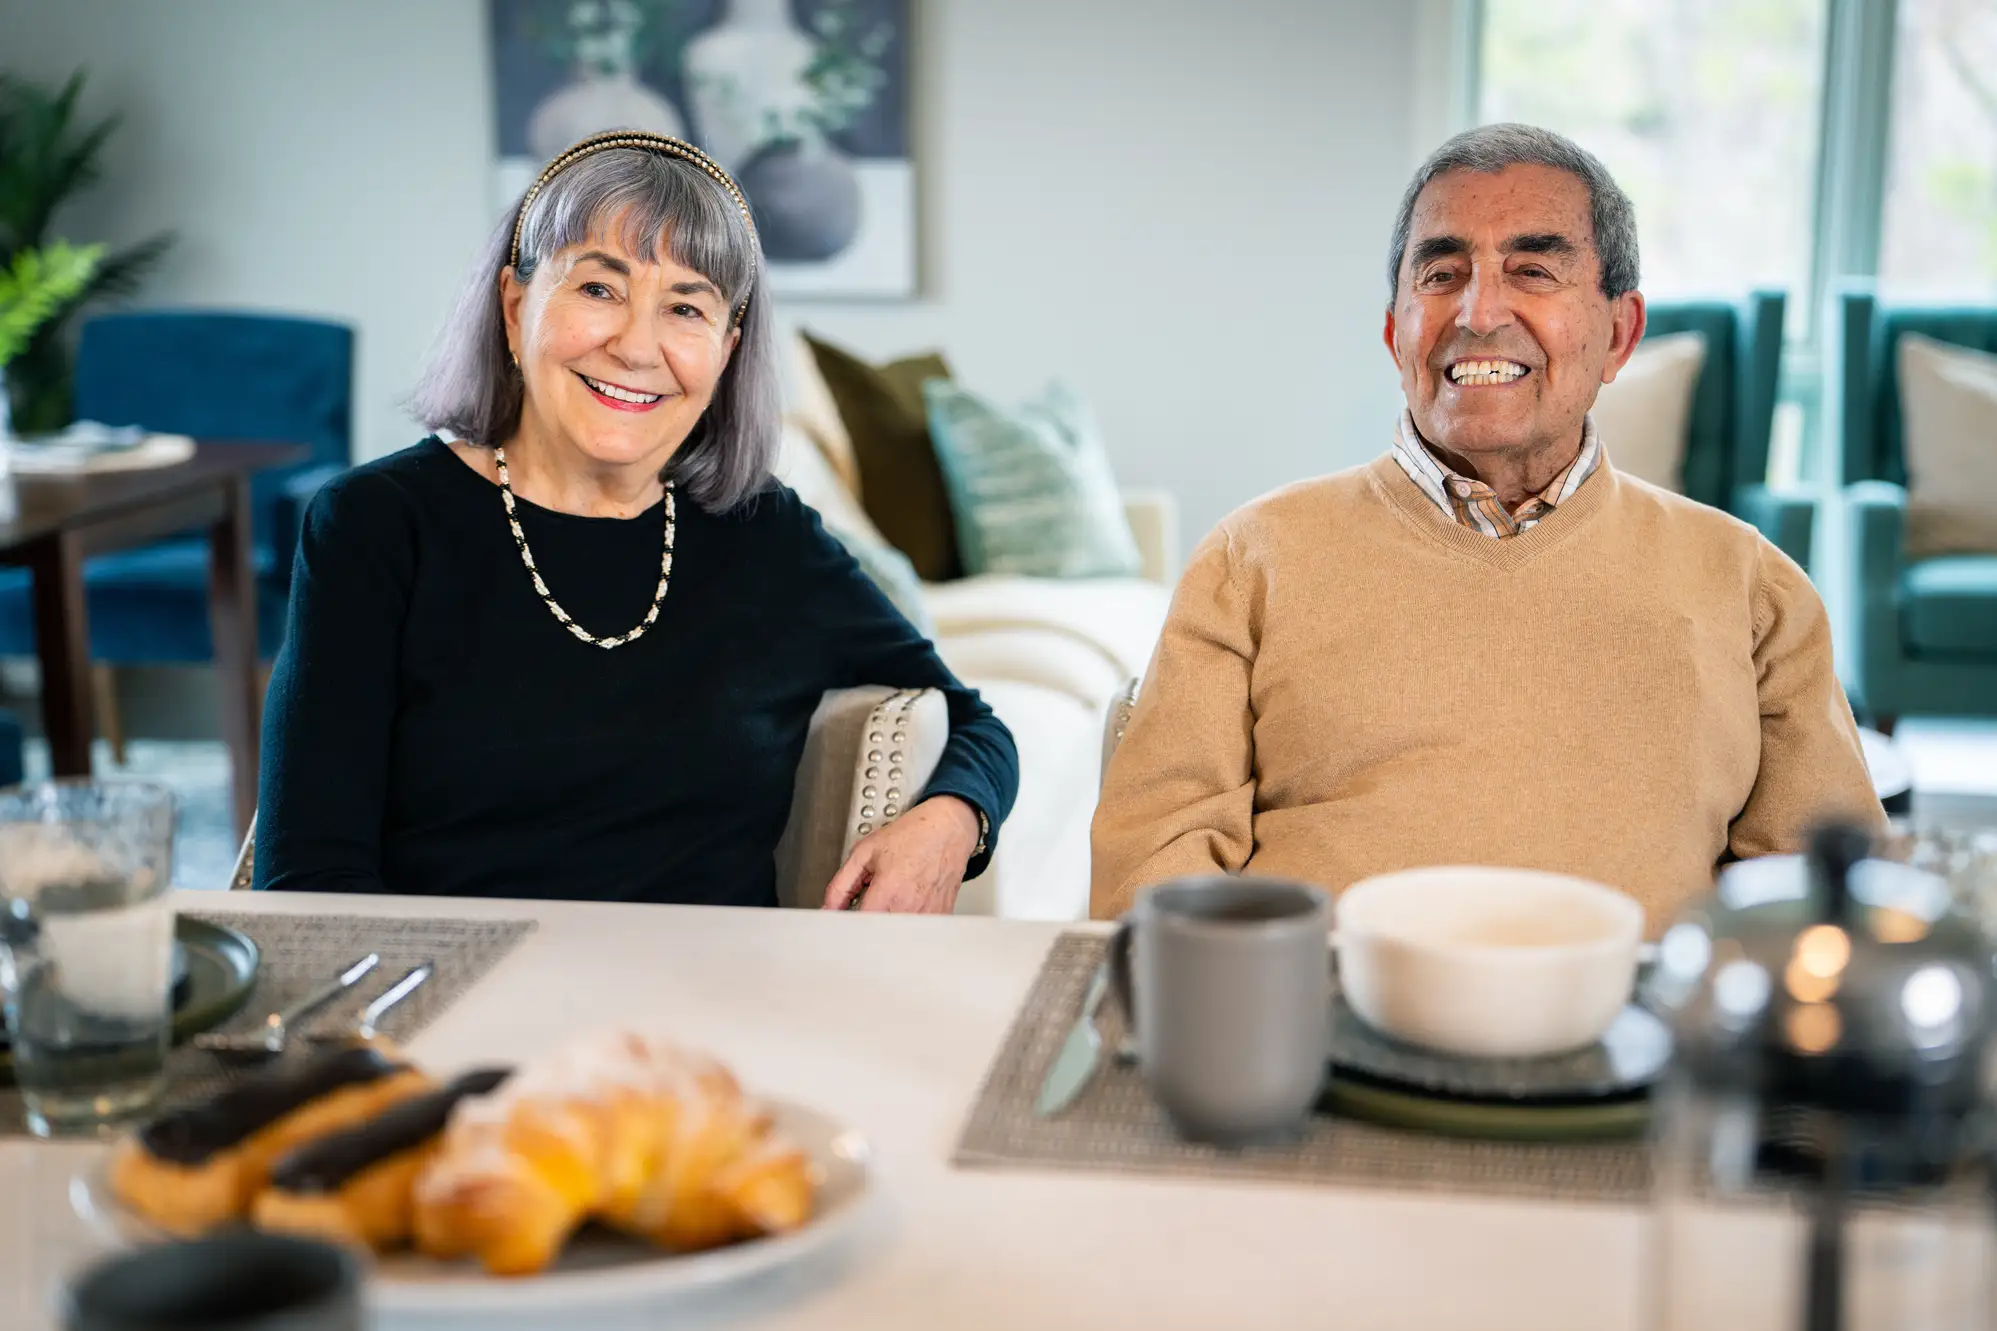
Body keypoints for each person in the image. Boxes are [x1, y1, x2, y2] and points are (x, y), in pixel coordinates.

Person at [1091, 123, 1882, 935]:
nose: (1477, 312)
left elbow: (1819, 908)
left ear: (1619, 334)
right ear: (1396, 331)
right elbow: (1154, 875)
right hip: (1320, 1039)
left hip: (1632, 1045)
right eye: (1440, 273)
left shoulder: (1752, 587)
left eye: (1532, 270)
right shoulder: (1249, 559)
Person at [256, 131, 1017, 910]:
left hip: (706, 1012)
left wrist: (951, 820)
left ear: (725, 352)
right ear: (516, 310)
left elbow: (977, 725)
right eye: (598, 289)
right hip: (447, 1007)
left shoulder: (763, 536)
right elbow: (310, 879)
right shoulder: (377, 526)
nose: (636, 345)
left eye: (685, 306)